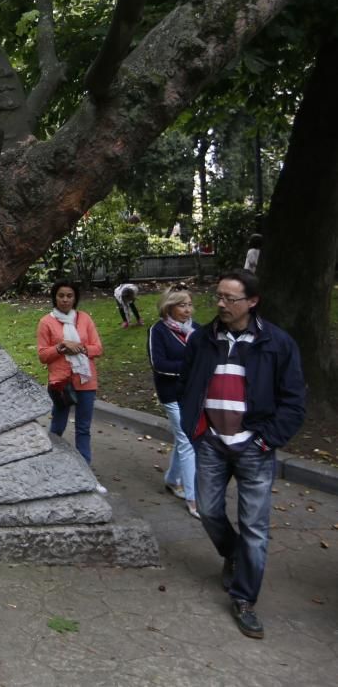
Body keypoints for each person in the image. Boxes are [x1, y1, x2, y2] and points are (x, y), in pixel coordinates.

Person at [179, 269, 305, 639]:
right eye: (218, 296)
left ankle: (244, 598)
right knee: (208, 509)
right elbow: (187, 383)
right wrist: (195, 427)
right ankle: (233, 554)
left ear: (252, 302)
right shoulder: (202, 339)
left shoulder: (277, 343)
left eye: (230, 298)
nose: (220, 303)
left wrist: (266, 441)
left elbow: (294, 401)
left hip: (254, 446)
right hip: (212, 443)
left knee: (255, 526)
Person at [37, 280, 106, 492]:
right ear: (54, 298)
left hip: (85, 380)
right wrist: (61, 347)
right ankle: (51, 469)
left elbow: (98, 348)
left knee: (83, 428)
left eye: (69, 296)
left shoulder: (84, 319)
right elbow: (42, 355)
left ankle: (86, 475)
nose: (65, 299)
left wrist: (80, 348)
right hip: (60, 383)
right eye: (61, 296)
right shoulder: (46, 322)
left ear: (75, 298)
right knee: (57, 427)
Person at [147, 284, 200, 518]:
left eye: (189, 304)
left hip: (195, 395)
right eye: (182, 305)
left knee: (183, 439)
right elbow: (159, 365)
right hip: (171, 394)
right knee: (188, 440)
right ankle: (193, 498)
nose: (188, 310)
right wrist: (190, 369)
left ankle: (171, 480)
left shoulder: (197, 331)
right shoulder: (158, 331)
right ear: (169, 307)